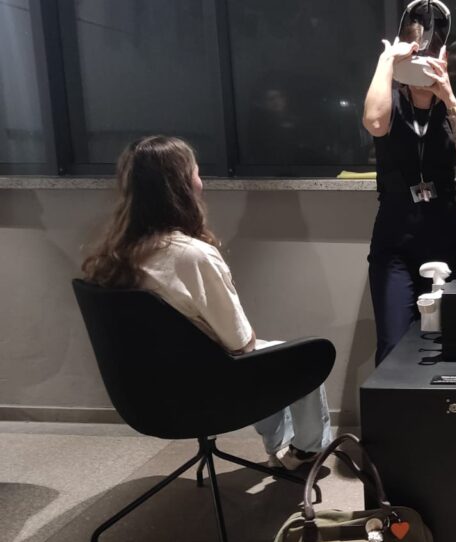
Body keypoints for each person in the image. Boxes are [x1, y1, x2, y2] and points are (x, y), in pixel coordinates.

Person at [81, 136, 332, 470]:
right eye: (196, 173)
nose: (201, 181)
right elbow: (241, 344)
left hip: (144, 397)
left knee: (272, 355)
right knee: (304, 355)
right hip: (205, 392)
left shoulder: (114, 257)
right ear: (182, 187)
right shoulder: (192, 256)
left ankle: (280, 445)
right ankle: (305, 452)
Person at [362, 2, 456, 365]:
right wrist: (387, 60)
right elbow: (375, 123)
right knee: (393, 343)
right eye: (416, 54)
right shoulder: (390, 102)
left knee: (445, 342)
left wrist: (449, 98)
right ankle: (392, 405)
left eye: (430, 54)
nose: (422, 62)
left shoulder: (455, 109)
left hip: (444, 234)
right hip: (394, 239)